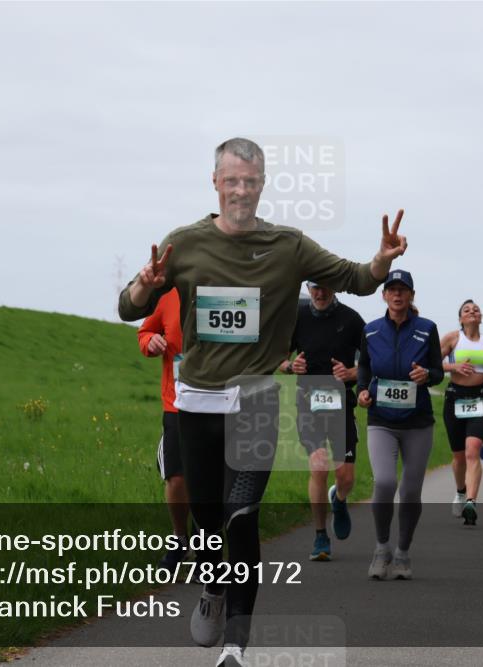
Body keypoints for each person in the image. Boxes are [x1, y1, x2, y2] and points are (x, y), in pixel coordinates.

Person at [118, 137, 407, 667]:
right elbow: (125, 308)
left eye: (250, 181)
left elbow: (354, 279)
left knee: (241, 518)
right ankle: (213, 589)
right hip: (197, 402)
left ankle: (235, 645)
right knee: (207, 526)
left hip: (253, 401)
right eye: (232, 180)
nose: (241, 190)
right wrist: (143, 286)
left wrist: (381, 262)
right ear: (215, 183)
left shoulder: (288, 246)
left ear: (263, 184)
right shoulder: (185, 242)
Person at [356, 270, 443, 579]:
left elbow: (438, 371)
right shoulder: (371, 331)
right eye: (391, 289)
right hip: (381, 419)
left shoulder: (426, 328)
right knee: (383, 483)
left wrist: (427, 376)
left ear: (411, 295)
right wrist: (362, 391)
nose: (397, 294)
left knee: (409, 491)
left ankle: (403, 553)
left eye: (402, 290)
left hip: (417, 421)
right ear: (384, 296)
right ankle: (381, 548)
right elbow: (364, 367)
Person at [281, 281, 365, 561]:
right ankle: (320, 536)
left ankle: (339, 500)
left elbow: (372, 360)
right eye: (315, 287)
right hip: (308, 401)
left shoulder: (351, 319)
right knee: (318, 464)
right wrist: (291, 366)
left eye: (326, 287)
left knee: (346, 476)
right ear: (308, 287)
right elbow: (278, 357)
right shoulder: (298, 317)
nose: (320, 293)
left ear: (335, 288)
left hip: (342, 404)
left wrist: (351, 373)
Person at [440, 300, 483, 526]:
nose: (472, 312)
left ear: (481, 316)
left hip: (481, 398)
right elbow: (431, 362)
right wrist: (453, 367)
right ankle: (460, 491)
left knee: (472, 450)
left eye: (476, 309)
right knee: (459, 456)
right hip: (454, 398)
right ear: (460, 318)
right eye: (467, 310)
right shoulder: (452, 338)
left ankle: (471, 501)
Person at [137, 287, 191, 571]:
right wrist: (152, 341)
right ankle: (180, 539)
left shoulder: (225, 286)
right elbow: (144, 333)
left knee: (213, 480)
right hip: (177, 402)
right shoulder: (168, 296)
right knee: (177, 478)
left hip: (221, 400)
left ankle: (209, 546)